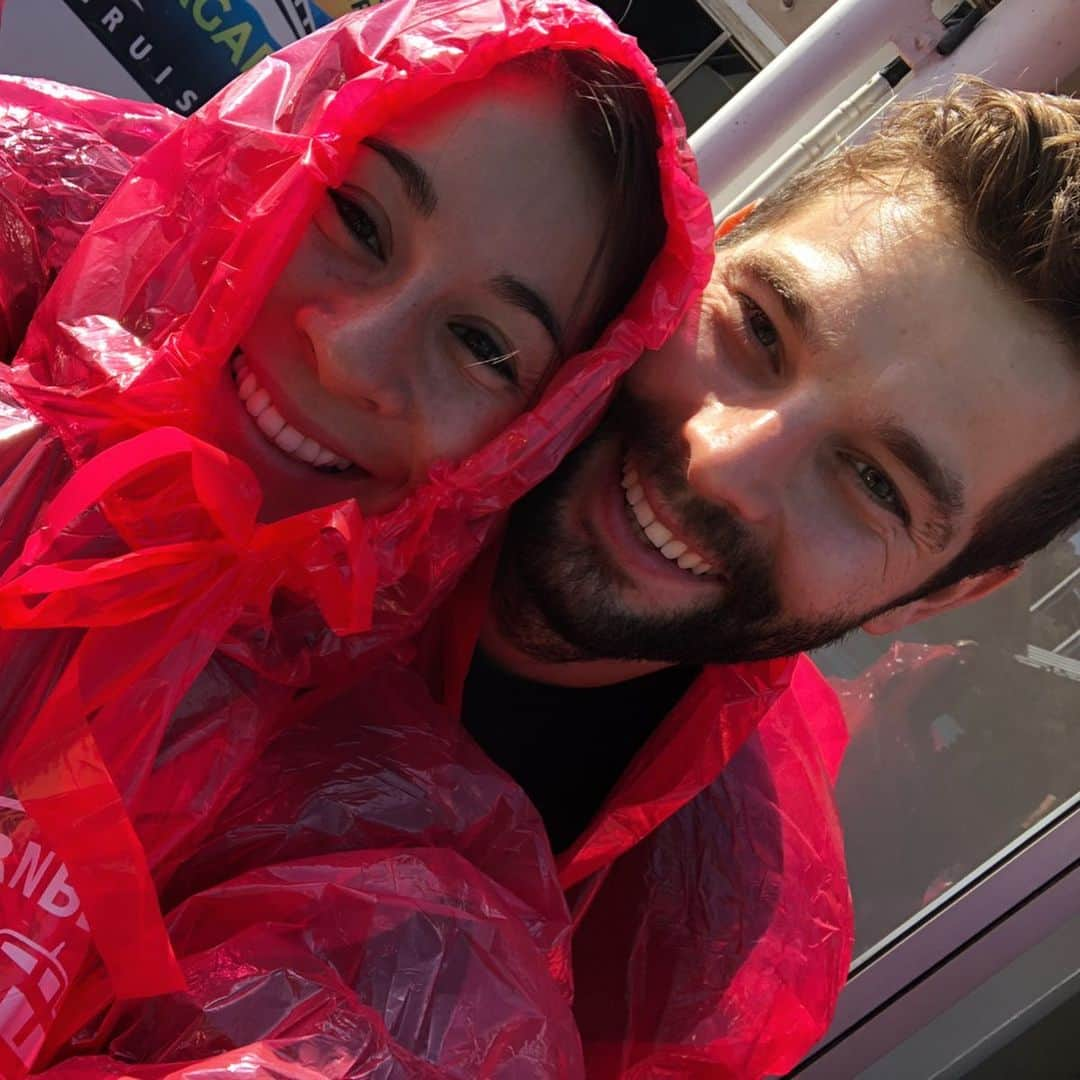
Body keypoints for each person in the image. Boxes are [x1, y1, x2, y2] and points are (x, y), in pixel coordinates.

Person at [34, 81, 1080, 1080]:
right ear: (715, 243)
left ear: (944, 594)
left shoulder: (679, 942)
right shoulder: (207, 280)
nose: (723, 459)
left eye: (872, 482)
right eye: (757, 329)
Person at [0, 1, 714, 1074]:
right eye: (359, 219)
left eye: (481, 344)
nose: (353, 355)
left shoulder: (375, 853)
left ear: (523, 444)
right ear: (254, 166)